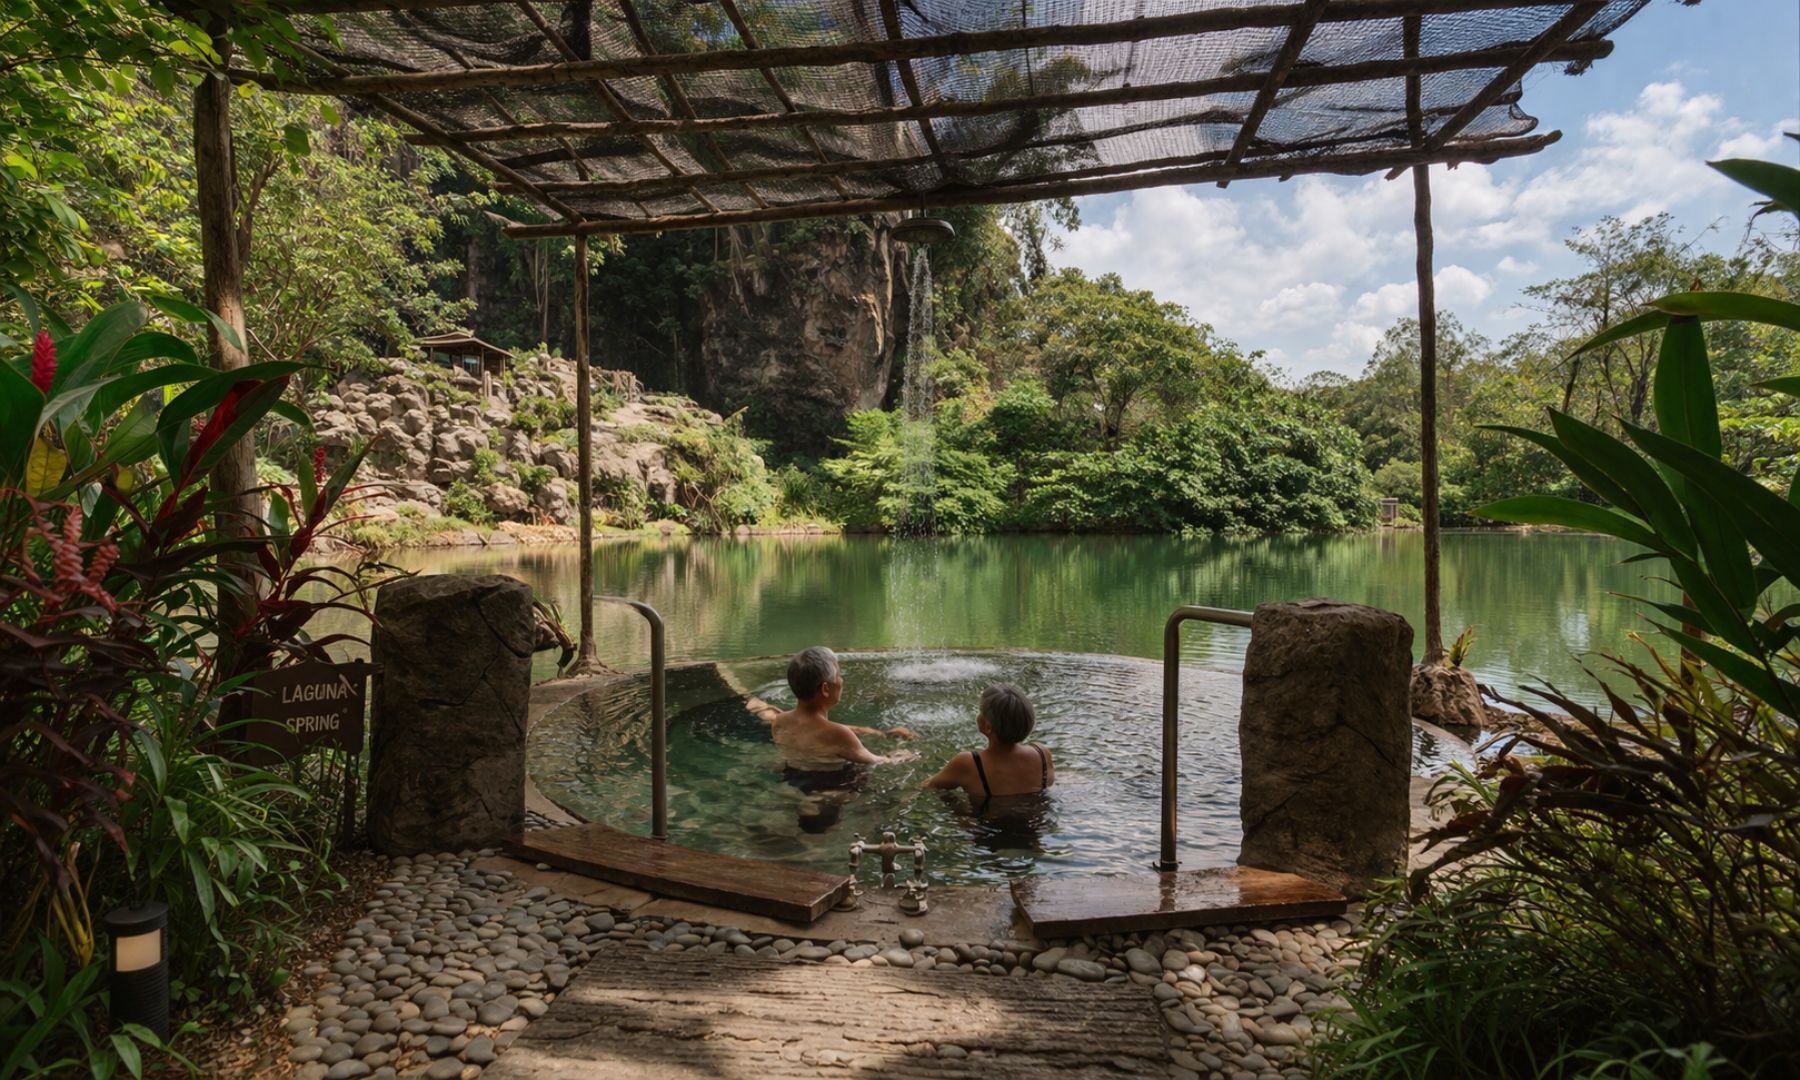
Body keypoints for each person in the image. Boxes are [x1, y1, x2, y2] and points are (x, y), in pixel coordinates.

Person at [747, 646, 918, 767]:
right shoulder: (838, 734)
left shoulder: (780, 720)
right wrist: (902, 755)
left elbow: (815, 731)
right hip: (829, 789)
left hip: (793, 777)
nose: (842, 681)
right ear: (826, 689)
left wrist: (882, 734)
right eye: (839, 675)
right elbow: (877, 762)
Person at [924, 683, 1053, 809]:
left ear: (988, 727)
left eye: (980, 711)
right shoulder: (1042, 753)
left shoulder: (969, 762)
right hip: (1035, 828)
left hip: (988, 828)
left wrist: (959, 812)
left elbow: (930, 787)